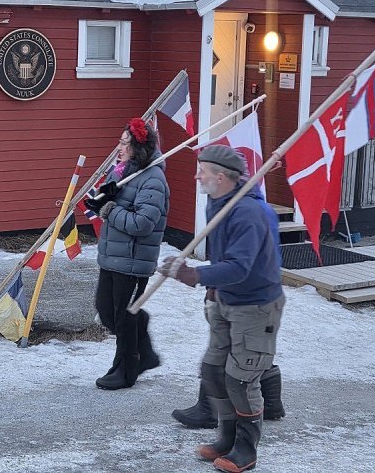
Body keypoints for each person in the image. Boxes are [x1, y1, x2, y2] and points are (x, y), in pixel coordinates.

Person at [160, 144, 285, 473]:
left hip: (255, 304)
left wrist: (194, 275)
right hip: (226, 299)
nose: (196, 174)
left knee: (241, 379)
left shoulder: (248, 213)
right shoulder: (217, 202)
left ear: (220, 176)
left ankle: (246, 449)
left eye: (202, 169)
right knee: (215, 371)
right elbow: (221, 256)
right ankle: (226, 438)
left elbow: (240, 266)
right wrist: (211, 285)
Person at [171, 178, 286, 429]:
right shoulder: (251, 208)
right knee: (243, 347)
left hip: (249, 295)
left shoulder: (247, 213)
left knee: (230, 348)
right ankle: (272, 402)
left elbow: (241, 264)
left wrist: (214, 283)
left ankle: (211, 410)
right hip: (252, 292)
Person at [85, 118, 169, 391]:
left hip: (133, 261)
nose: (118, 148)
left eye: (124, 143)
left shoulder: (153, 180)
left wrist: (109, 210)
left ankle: (125, 370)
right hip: (112, 255)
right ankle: (145, 351)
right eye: (120, 142)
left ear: (138, 147)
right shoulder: (122, 171)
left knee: (123, 316)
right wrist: (99, 200)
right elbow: (110, 201)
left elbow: (143, 224)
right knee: (107, 312)